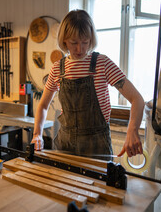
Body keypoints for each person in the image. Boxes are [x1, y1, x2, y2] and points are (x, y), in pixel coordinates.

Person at [31, 9, 144, 160]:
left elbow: (137, 99)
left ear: (91, 39)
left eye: (85, 42)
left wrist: (132, 129)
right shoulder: (58, 68)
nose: (80, 49)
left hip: (97, 146)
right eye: (74, 43)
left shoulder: (102, 64)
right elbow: (43, 105)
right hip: (66, 146)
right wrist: (37, 134)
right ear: (64, 40)